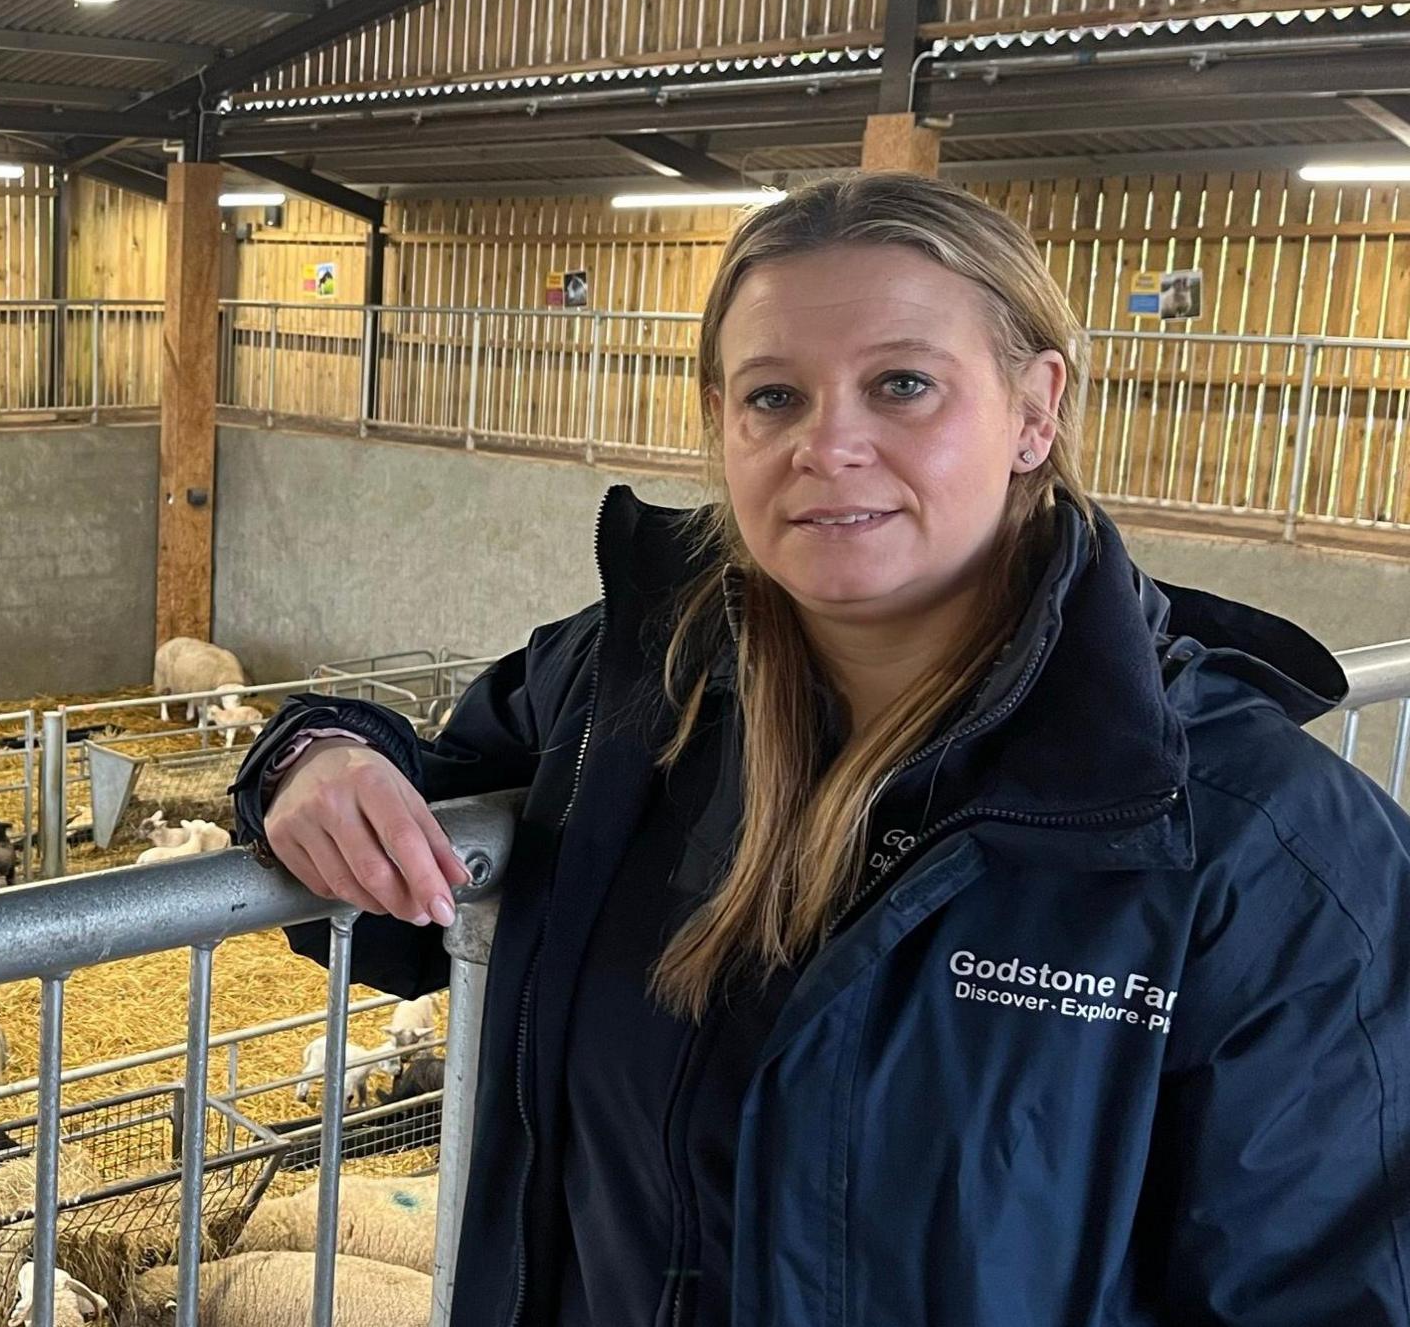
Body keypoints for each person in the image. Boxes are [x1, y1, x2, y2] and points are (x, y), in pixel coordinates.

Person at [229, 172, 1410, 1327]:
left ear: (1035, 410)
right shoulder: (629, 689)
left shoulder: (1260, 847)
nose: (826, 444)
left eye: (902, 384)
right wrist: (314, 754)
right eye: (773, 397)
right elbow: (406, 885)